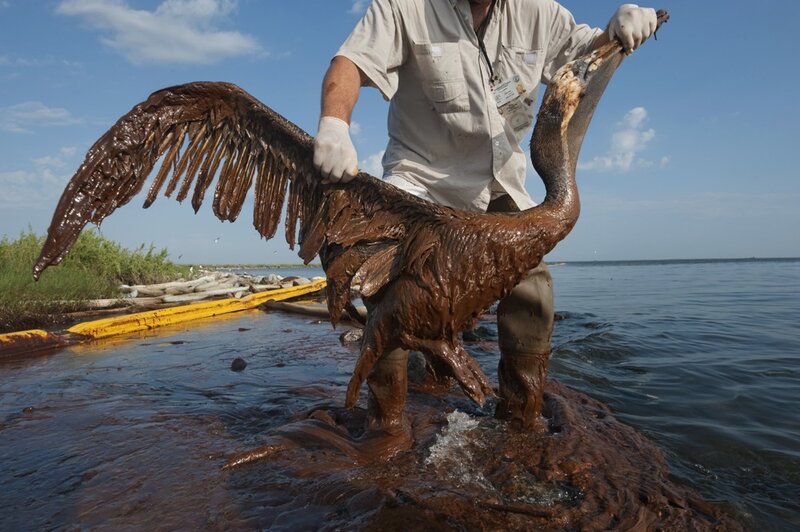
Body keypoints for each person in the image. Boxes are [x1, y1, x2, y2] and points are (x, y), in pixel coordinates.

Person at [313, 0, 658, 434]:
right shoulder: (404, 8)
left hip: (499, 184)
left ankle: (521, 414)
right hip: (421, 184)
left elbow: (588, 54)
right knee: (391, 294)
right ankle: (386, 424)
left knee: (532, 289)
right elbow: (349, 64)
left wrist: (617, 27)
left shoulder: (540, 13)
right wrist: (334, 124)